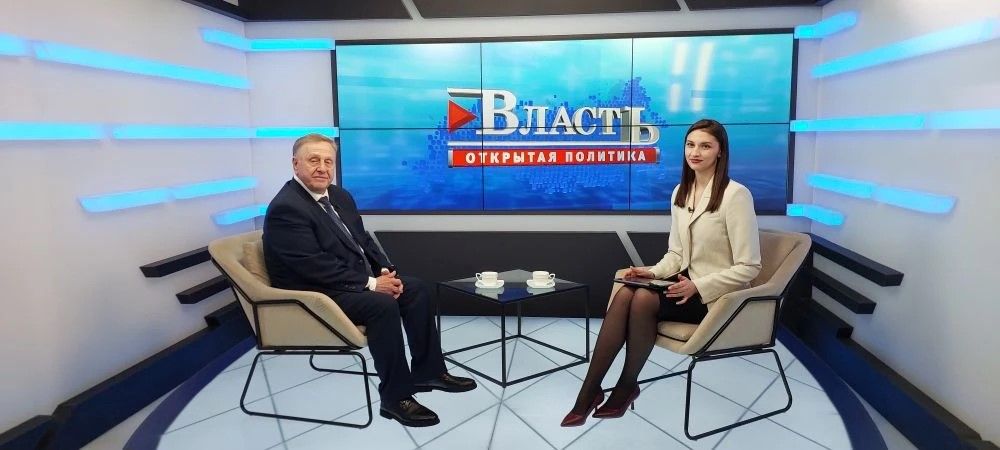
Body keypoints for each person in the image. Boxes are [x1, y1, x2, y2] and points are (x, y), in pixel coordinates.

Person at [263, 133, 476, 428]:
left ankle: (428, 372)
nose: (322, 168)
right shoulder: (286, 208)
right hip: (314, 293)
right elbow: (312, 267)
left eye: (328, 161)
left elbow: (362, 240)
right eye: (313, 160)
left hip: (344, 281)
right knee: (381, 305)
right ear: (295, 164)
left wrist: (385, 271)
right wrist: (373, 285)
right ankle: (395, 398)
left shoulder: (339, 196)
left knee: (415, 289)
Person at [561, 119, 761, 427]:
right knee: (628, 290)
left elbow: (749, 267)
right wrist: (651, 271)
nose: (695, 152)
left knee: (642, 299)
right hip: (682, 287)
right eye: (690, 145)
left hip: (716, 297)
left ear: (720, 152)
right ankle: (591, 390)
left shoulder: (735, 195)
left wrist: (698, 286)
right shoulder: (682, 191)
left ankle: (624, 386)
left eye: (705, 146)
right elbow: (677, 254)